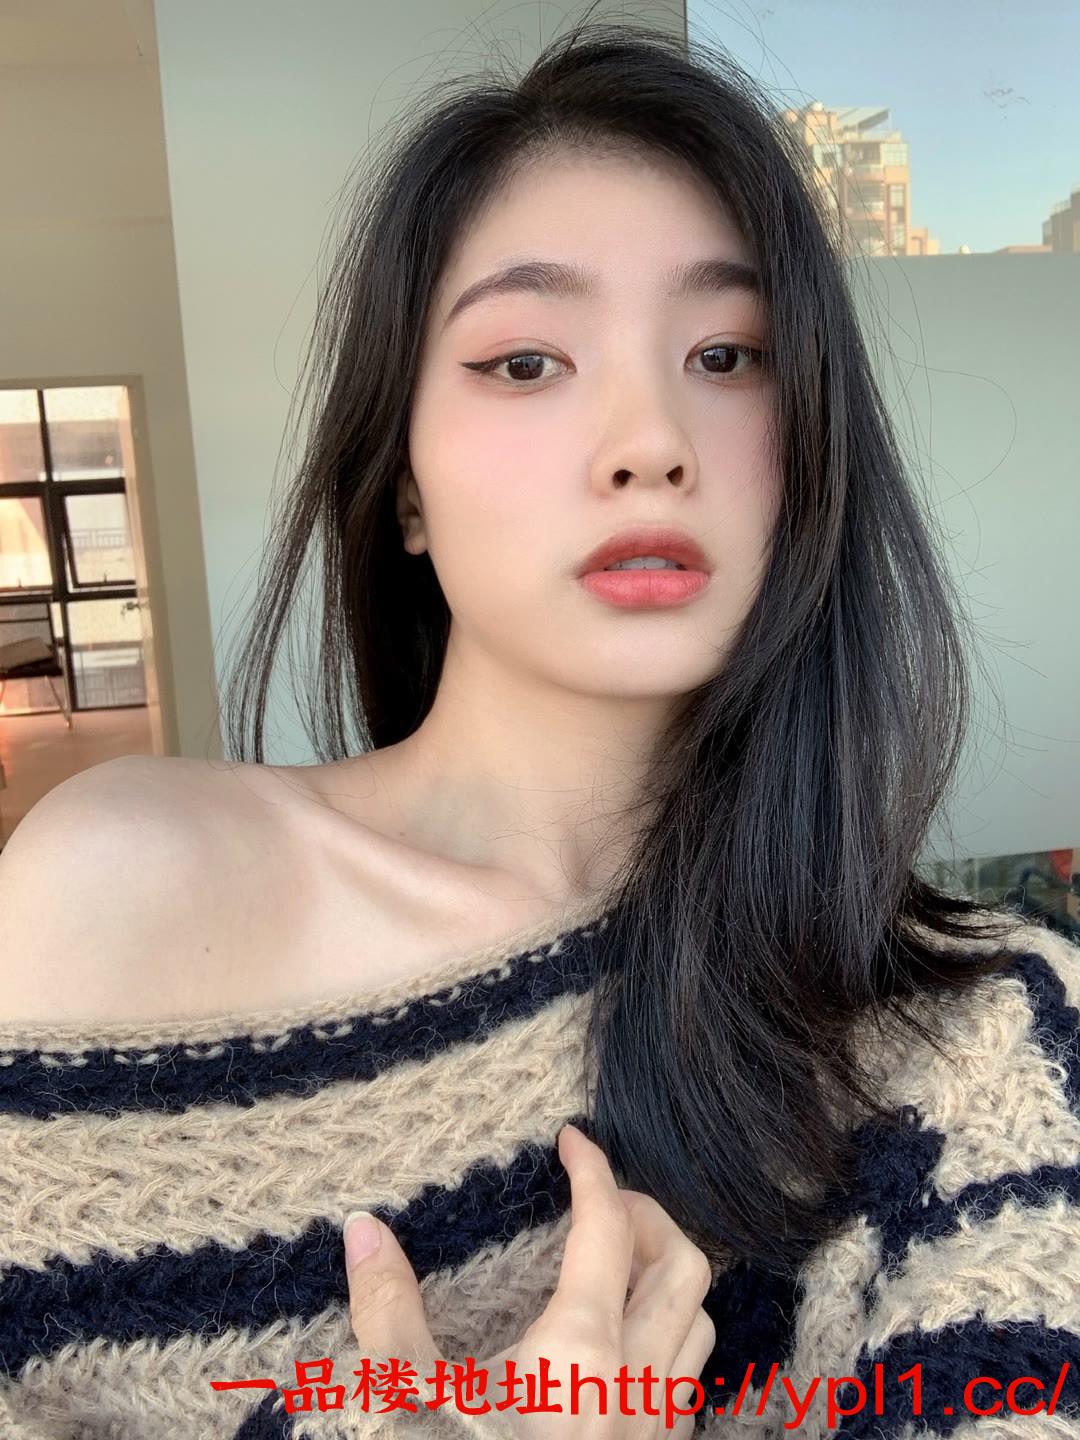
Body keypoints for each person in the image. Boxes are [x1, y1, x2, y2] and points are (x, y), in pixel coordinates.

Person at [1, 11, 1077, 1439]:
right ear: (403, 484)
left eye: (729, 353)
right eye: (524, 362)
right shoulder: (114, 883)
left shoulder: (974, 1035)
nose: (651, 442)